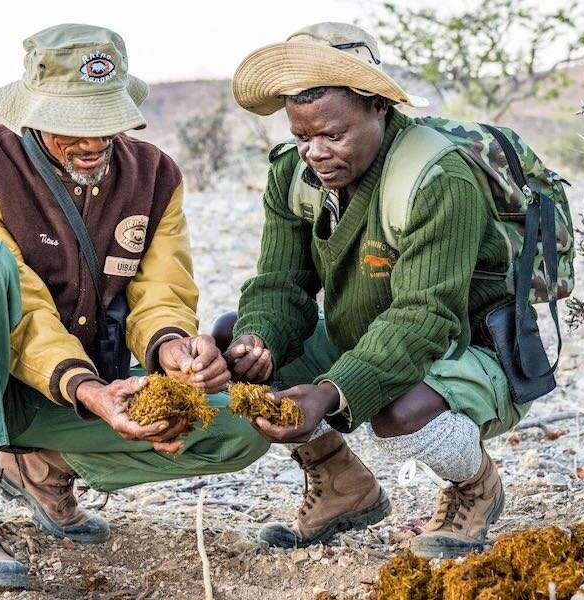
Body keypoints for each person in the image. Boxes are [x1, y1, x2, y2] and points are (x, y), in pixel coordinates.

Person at [0, 24, 268, 590]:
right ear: (32, 114)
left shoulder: (155, 176)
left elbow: (161, 290)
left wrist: (173, 348)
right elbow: (24, 312)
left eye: (105, 121)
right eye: (72, 125)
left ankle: (41, 467)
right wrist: (89, 390)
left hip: (79, 390)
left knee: (241, 430)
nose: (93, 142)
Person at [220, 22, 529, 558]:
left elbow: (424, 318)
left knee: (398, 410)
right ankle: (343, 486)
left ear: (379, 107)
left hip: (468, 349)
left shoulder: (438, 179)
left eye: (333, 136)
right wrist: (259, 337)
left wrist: (331, 392)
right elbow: (281, 283)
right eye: (302, 137)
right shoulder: (293, 175)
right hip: (368, 337)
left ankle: (475, 486)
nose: (315, 153)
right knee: (237, 340)